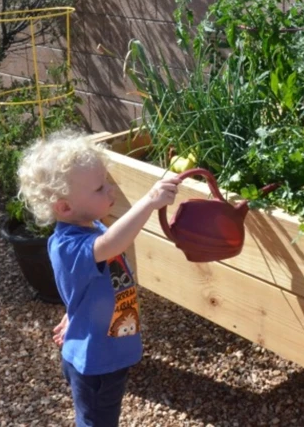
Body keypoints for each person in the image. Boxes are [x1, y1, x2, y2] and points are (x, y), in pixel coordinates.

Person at [18, 129, 181, 427]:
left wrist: (74, 313)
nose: (111, 191)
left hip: (106, 352)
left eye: (107, 182)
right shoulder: (69, 245)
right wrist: (149, 201)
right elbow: (113, 245)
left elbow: (85, 283)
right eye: (99, 189)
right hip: (96, 365)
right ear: (64, 207)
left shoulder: (90, 225)